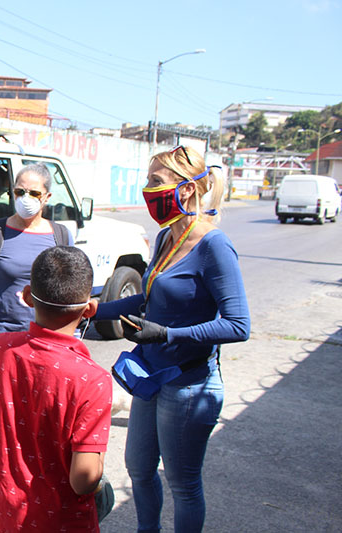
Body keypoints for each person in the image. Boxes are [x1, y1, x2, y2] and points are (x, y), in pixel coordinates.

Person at [95, 145, 250, 532]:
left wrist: (166, 333)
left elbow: (238, 325)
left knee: (183, 485)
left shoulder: (214, 246)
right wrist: (96, 308)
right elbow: (148, 295)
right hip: (153, 378)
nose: (147, 191)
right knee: (139, 471)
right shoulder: (166, 237)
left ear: (187, 190)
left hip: (189, 385)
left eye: (156, 182)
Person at [0, 245, 111, 532]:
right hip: (60, 521)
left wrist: (24, 431)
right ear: (90, 309)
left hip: (0, 515)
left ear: (28, 297)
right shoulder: (93, 379)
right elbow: (83, 479)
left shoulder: (1, 348)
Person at [0, 162, 73, 511]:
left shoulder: (60, 236)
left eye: (33, 193)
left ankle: (26, 481)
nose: (24, 198)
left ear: (48, 197)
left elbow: (68, 292)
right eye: (19, 191)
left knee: (37, 416)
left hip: (41, 340)